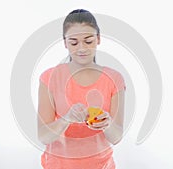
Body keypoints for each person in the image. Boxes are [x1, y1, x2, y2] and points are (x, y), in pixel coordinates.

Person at [37, 9, 126, 169]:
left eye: (88, 40)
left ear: (98, 39)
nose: (81, 48)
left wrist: (107, 123)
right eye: (74, 42)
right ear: (65, 43)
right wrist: (66, 119)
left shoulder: (114, 79)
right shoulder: (49, 77)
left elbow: (116, 137)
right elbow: (43, 136)